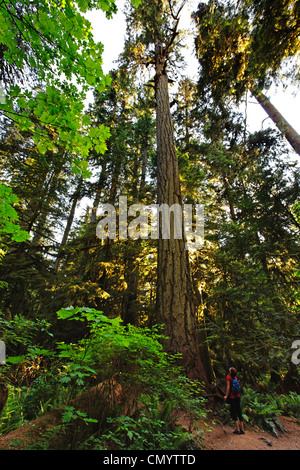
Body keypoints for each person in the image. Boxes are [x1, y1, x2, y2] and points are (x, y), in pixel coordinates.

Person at [224, 367, 245, 434]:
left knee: (234, 412)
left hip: (232, 397)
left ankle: (237, 429)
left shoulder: (228, 377)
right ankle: (242, 429)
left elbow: (228, 387)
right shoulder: (235, 378)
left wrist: (226, 396)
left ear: (230, 372)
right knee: (239, 412)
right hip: (237, 397)